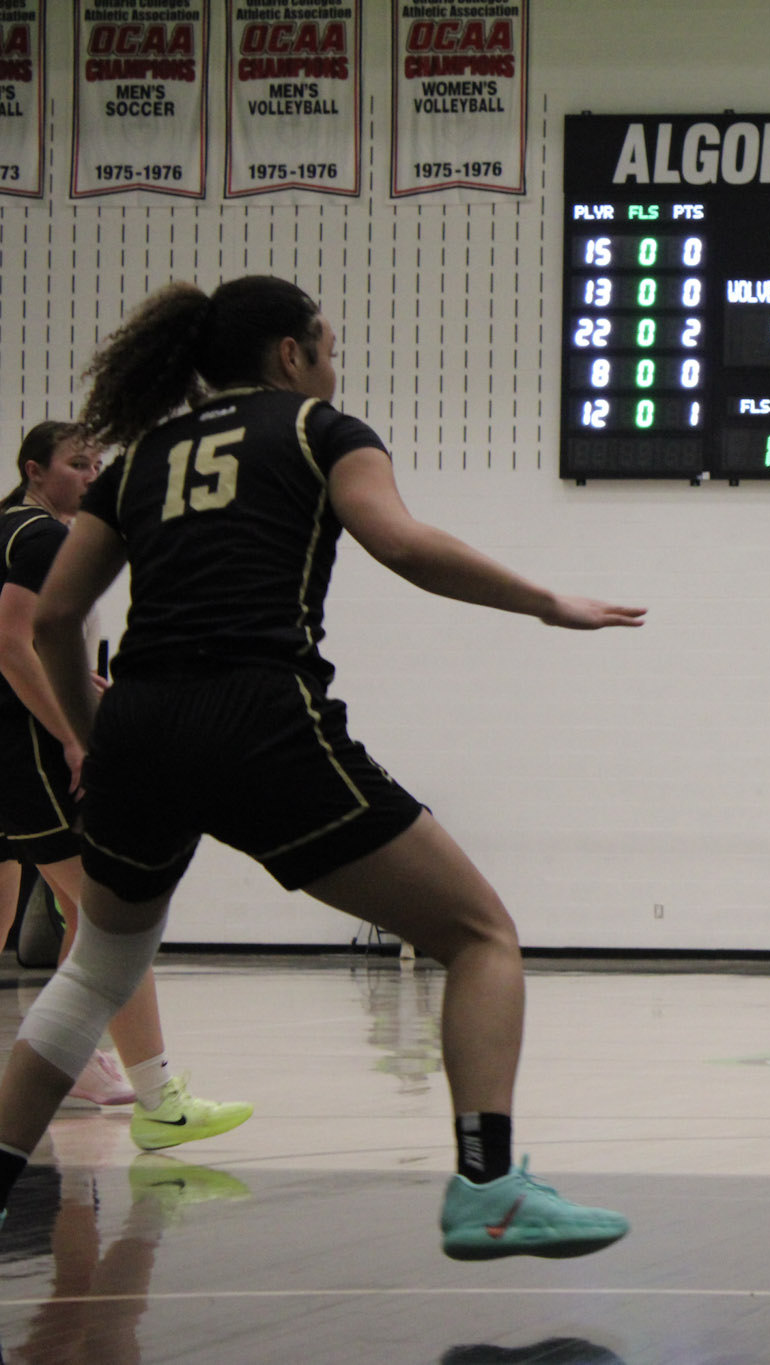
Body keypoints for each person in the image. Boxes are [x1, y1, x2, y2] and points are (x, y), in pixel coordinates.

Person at [0, 274, 644, 1261]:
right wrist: (544, 601)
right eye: (327, 346)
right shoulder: (319, 430)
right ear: (292, 355)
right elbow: (403, 545)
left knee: (95, 969)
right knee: (479, 937)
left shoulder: (136, 462)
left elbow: (51, 621)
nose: (332, 364)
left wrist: (92, 737)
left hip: (137, 719)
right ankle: (488, 1188)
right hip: (257, 716)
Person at [1, 422, 252, 1139]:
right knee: (117, 917)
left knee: (82, 917)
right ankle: (158, 1098)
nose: (91, 475)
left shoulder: (12, 530)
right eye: (78, 464)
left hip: (16, 746)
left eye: (98, 463)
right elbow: (14, 645)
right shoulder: (41, 537)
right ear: (35, 471)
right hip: (28, 749)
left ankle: (87, 1065)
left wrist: (86, 683)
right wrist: (75, 734)